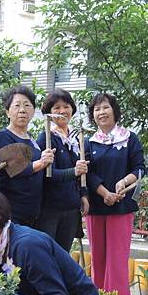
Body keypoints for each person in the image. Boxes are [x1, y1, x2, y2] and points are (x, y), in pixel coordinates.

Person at [84, 93, 146, 295]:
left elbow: (140, 168)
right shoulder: (89, 142)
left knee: (117, 262)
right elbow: (87, 173)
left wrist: (122, 183)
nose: (101, 112)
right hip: (97, 208)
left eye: (105, 107)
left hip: (121, 207)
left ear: (114, 111)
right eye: (97, 109)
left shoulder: (130, 138)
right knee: (98, 261)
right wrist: (104, 193)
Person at [0, 85, 54, 227]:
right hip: (12, 211)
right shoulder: (3, 137)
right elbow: (16, 169)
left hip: (33, 211)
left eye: (27, 105)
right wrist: (41, 163)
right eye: (17, 106)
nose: (22, 110)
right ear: (7, 112)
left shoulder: (31, 139)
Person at [35, 88, 89, 251]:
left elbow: (83, 172)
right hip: (51, 208)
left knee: (64, 255)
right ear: (49, 112)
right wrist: (73, 172)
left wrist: (84, 194)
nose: (62, 111)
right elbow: (47, 174)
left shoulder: (75, 138)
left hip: (71, 208)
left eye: (66, 106)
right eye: (56, 108)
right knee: (48, 254)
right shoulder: (47, 137)